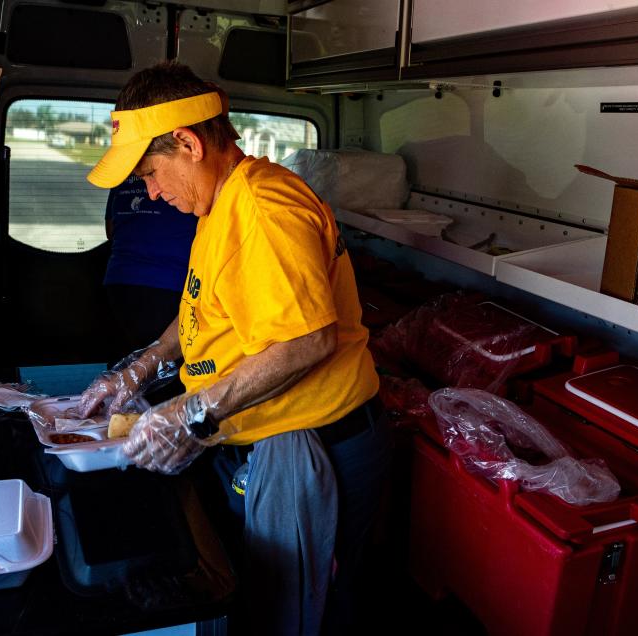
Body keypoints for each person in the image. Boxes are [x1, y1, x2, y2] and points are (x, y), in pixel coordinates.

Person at [78, 62, 390, 635]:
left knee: (317, 601)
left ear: (189, 143)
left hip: (324, 444)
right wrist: (142, 369)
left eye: (150, 172)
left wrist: (192, 413)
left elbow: (307, 337)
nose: (149, 192)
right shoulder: (220, 204)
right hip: (261, 434)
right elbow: (200, 307)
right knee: (272, 593)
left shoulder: (264, 210)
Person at [103, 174, 198, 359]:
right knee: (169, 365)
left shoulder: (123, 171)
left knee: (125, 363)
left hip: (119, 279)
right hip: (171, 283)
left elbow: (110, 229)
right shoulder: (180, 174)